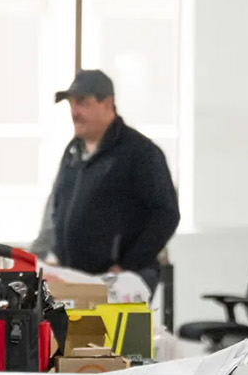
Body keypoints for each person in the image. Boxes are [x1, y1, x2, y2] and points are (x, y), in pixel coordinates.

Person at [36, 68, 180, 293]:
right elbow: (54, 209)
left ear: (107, 103)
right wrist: (38, 258)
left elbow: (166, 214)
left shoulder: (140, 153)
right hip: (75, 277)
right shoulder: (73, 153)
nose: (74, 112)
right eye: (71, 104)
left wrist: (127, 265)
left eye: (82, 102)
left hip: (122, 279)